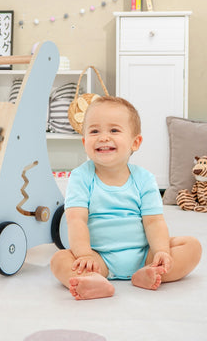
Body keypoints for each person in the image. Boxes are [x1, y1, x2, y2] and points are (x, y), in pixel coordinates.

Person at [51, 96, 202, 300]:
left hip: (144, 255)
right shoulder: (81, 177)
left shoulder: (144, 179)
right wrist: (85, 255)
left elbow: (154, 222)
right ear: (85, 142)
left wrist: (160, 252)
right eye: (95, 131)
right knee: (59, 260)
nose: (103, 137)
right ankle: (95, 279)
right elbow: (76, 220)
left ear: (135, 142)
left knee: (192, 246)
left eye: (114, 130)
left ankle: (151, 272)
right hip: (98, 258)